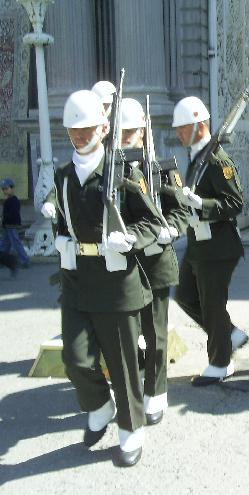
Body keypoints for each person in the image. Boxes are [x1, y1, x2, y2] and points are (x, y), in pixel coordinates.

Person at [52, 89, 161, 466]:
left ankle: (132, 430)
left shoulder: (124, 170)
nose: (80, 137)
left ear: (103, 127)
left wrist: (131, 238)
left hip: (116, 282)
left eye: (86, 129)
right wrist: (60, 236)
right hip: (78, 280)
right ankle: (99, 406)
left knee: (123, 363)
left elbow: (151, 220)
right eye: (73, 131)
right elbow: (62, 220)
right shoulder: (64, 175)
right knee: (75, 358)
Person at [119, 98, 189, 422]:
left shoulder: (163, 168)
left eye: (131, 132)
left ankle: (156, 391)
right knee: (127, 334)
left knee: (155, 331)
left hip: (157, 260)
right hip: (125, 264)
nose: (126, 139)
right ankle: (136, 385)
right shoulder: (113, 172)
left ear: (144, 131)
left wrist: (171, 230)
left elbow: (183, 211)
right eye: (121, 133)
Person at [172, 96, 248, 387]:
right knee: (184, 296)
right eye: (178, 128)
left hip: (218, 246)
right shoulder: (197, 156)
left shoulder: (216, 159)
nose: (179, 133)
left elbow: (235, 203)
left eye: (184, 127)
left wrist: (202, 204)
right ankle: (228, 334)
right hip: (198, 244)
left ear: (201, 125)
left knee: (212, 304)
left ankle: (220, 362)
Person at [1, 178, 29, 268]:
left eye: (6, 188)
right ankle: (2, 260)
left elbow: (13, 214)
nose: (5, 191)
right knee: (4, 244)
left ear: (12, 188)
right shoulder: (8, 200)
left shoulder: (14, 200)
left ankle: (24, 260)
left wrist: (4, 218)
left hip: (12, 225)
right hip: (7, 225)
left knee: (15, 243)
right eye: (3, 189)